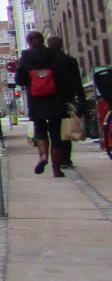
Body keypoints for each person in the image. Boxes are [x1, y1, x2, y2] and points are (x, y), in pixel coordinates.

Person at [15, 31, 80, 177]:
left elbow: (19, 79)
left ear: (29, 41)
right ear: (43, 40)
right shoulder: (54, 55)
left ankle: (43, 156)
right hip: (55, 99)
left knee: (40, 130)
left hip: (36, 99)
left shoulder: (26, 57)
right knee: (56, 133)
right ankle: (57, 169)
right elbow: (64, 78)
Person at [47, 35, 86, 171]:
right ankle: (66, 159)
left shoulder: (46, 62)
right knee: (66, 130)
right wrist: (82, 101)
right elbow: (77, 82)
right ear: (61, 45)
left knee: (54, 131)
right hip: (66, 100)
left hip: (50, 100)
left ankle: (56, 161)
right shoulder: (69, 61)